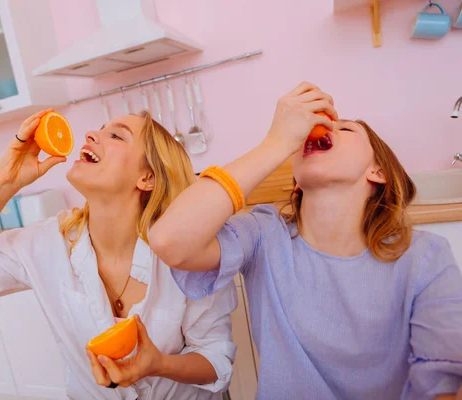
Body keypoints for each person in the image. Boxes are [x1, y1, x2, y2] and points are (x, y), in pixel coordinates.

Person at [149, 82, 462, 400]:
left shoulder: (424, 257)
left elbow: (443, 385)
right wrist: (275, 143)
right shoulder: (264, 235)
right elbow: (169, 240)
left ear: (377, 171)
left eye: (346, 129)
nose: (323, 126)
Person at [0, 109, 237, 400]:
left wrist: (159, 365)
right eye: (99, 127)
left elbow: (215, 359)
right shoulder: (45, 244)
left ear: (147, 177)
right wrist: (4, 183)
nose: (91, 134)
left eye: (116, 135)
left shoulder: (188, 252)